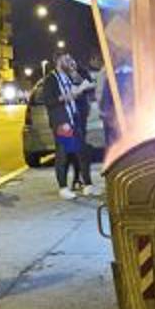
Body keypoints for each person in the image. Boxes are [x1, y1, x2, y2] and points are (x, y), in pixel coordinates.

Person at [39, 52, 100, 199]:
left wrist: (77, 85)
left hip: (74, 118)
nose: (71, 61)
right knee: (63, 153)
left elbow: (86, 84)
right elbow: (49, 101)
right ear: (59, 62)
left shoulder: (69, 76)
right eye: (66, 59)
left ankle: (87, 185)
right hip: (62, 122)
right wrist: (70, 95)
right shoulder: (51, 80)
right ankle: (63, 188)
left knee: (82, 152)